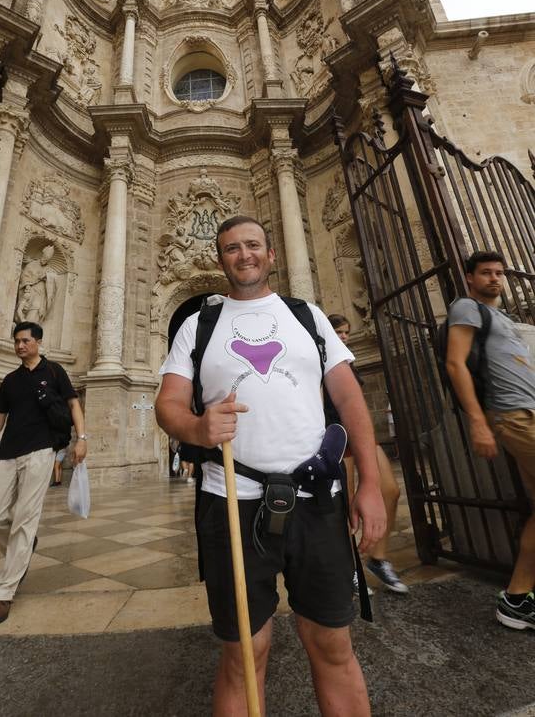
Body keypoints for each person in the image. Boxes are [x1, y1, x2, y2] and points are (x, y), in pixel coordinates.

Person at [156, 216, 386, 716]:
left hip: (317, 503)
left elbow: (348, 397)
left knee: (332, 643)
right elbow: (168, 404)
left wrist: (369, 481)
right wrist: (197, 429)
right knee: (243, 653)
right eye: (233, 248)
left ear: (271, 254)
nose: (245, 255)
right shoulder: (200, 326)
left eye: (254, 245)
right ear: (221, 259)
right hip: (231, 504)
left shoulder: (307, 317)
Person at [0, 321, 87, 628]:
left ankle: (3, 592)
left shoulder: (54, 371)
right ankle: (24, 549)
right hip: (7, 453)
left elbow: (73, 404)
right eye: (16, 341)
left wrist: (82, 439)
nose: (19, 346)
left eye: (25, 341)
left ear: (38, 342)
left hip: (41, 451)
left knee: (24, 519)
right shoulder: (10, 379)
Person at [446, 251, 535, 631]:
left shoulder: (503, 318)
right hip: (512, 416)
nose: (495, 278)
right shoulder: (467, 308)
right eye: (486, 273)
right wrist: (479, 422)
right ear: (470, 277)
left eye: (499, 273)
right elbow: (455, 363)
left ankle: (516, 600)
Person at [327, 315, 409, 596]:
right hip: (338, 437)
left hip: (362, 437)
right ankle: (348, 566)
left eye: (347, 332)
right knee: (346, 505)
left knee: (390, 490)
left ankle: (378, 557)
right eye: (338, 331)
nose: (344, 336)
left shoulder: (349, 362)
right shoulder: (321, 360)